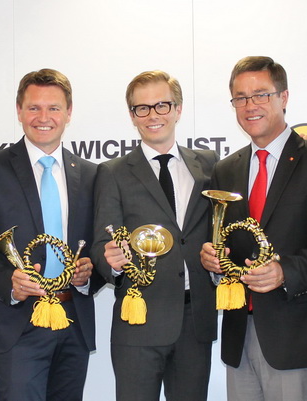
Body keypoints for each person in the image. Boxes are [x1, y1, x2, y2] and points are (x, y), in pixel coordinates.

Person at [199, 56, 307, 401]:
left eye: (261, 94)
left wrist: (285, 271)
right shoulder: (225, 169)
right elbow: (221, 241)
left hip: (299, 335)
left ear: (284, 97)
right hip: (239, 333)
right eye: (240, 98)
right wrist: (213, 261)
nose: (250, 105)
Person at [0, 68, 102, 401]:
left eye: (54, 108)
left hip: (73, 319)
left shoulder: (91, 174)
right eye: (34, 108)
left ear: (69, 112)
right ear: (19, 111)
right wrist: (9, 282)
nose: (43, 117)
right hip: (16, 323)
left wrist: (89, 275)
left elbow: (98, 248)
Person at [92, 70, 218, 401]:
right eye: (142, 108)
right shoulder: (112, 172)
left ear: (178, 109)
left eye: (162, 105)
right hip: (139, 322)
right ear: (132, 115)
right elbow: (100, 245)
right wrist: (112, 263)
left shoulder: (208, 164)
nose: (153, 115)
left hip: (195, 323)